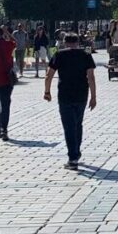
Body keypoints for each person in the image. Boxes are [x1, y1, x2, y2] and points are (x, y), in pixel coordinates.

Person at [44, 33, 97, 170]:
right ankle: (76, 152)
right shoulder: (85, 54)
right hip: (81, 94)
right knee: (78, 124)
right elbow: (91, 77)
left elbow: (49, 75)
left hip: (65, 94)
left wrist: (47, 92)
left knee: (69, 127)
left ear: (64, 42)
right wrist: (93, 97)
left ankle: (72, 158)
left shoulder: (59, 55)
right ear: (78, 42)